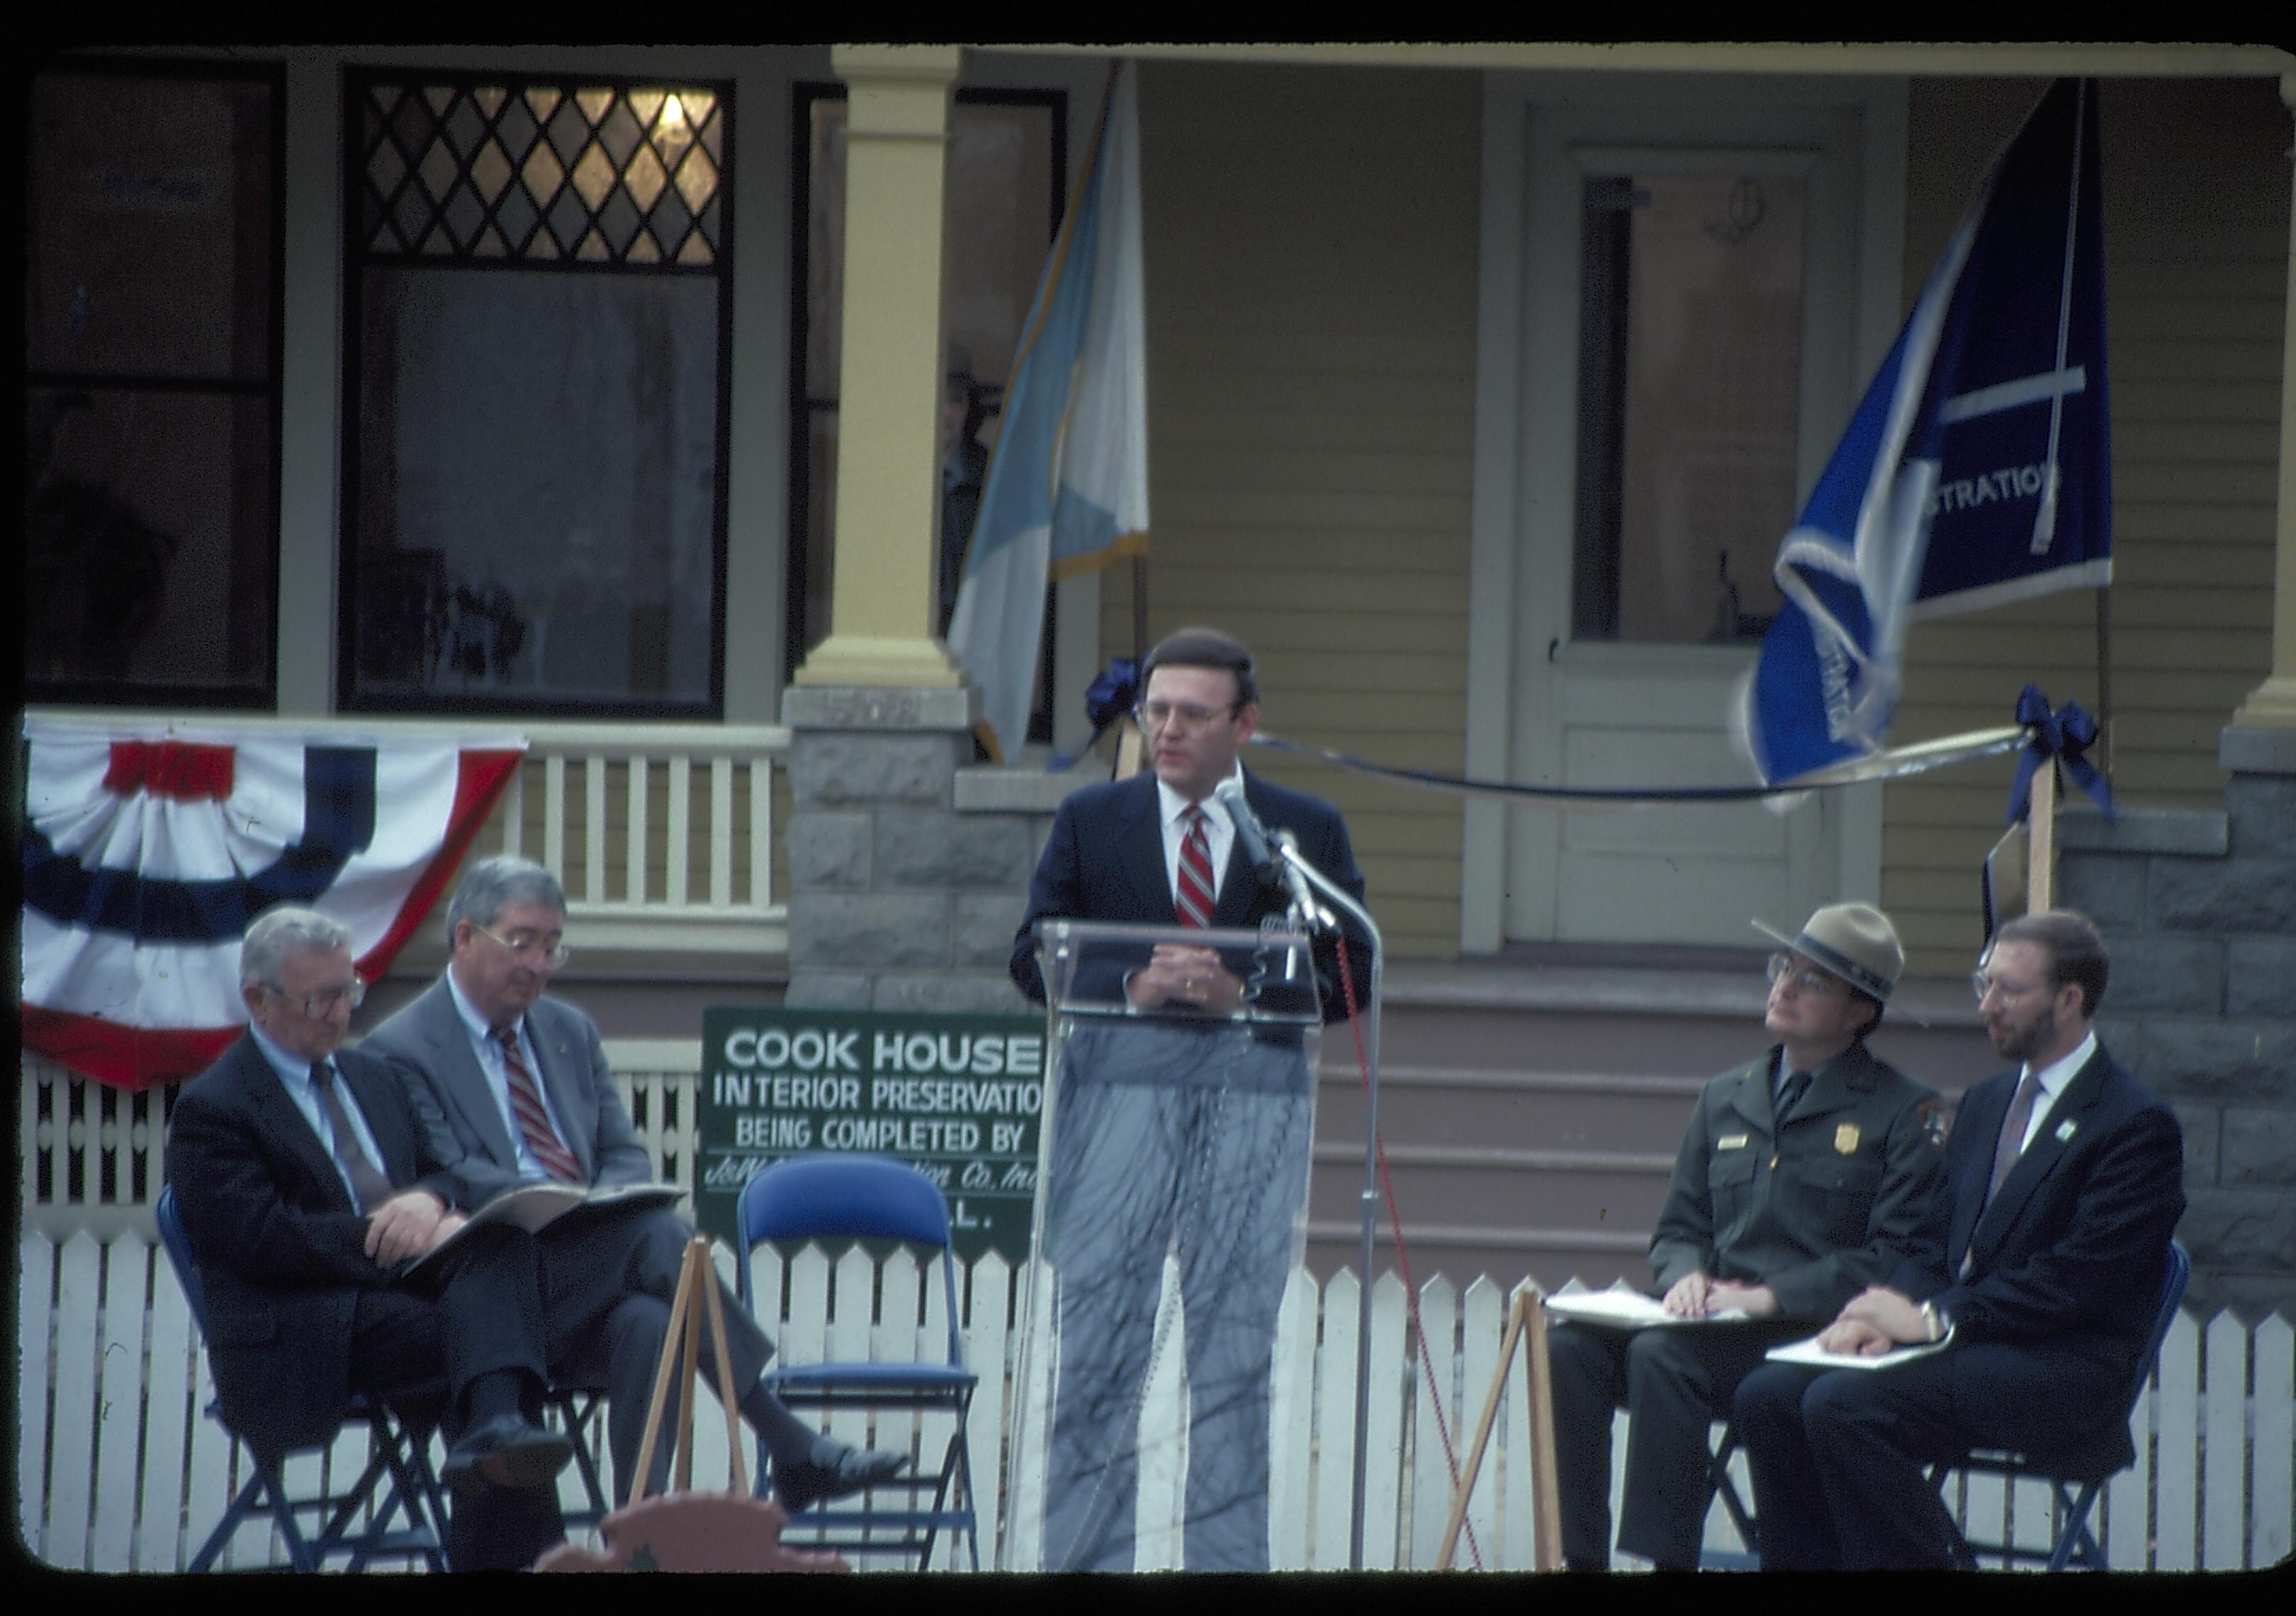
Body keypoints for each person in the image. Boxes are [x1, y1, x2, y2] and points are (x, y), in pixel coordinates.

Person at [361, 855, 902, 1512]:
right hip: (498, 1294)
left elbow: (623, 1153)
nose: (538, 964)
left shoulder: (569, 1031)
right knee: (659, 1234)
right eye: (522, 942)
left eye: (553, 947)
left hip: (591, 1273)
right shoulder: (401, 1046)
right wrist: (573, 1211)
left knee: (650, 1320)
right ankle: (789, 1443)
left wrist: (599, 1205)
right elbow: (456, 1173)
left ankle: (637, 1529)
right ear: (466, 936)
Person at [1010, 624, 1371, 1572]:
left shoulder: (1299, 832)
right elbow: (1028, 957)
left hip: (1250, 1119)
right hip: (1114, 1121)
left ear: (1245, 724)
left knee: (1229, 1376)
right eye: (1155, 711)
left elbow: (1352, 972)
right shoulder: (1093, 821)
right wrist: (1131, 986)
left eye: (1192, 714)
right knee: (1095, 1373)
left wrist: (1242, 995)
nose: (1167, 729)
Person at [1731, 909, 2185, 1570]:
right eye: (1984, 983)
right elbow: (1930, 1245)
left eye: (2009, 990)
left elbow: (2075, 1283)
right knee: (1766, 1395)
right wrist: (1873, 1318)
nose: (1987, 1005)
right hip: (1963, 1347)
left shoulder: (2134, 1123)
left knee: (1843, 1406)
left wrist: (1931, 1319)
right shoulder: (1985, 1101)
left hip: (2059, 1366)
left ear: (2069, 999)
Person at [164, 907, 574, 1572]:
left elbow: (445, 1169)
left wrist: (428, 1199)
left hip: (405, 1296)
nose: (338, 1013)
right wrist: (394, 1237)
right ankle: (518, 1523)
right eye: (319, 998)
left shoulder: (372, 1077)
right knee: (486, 1341)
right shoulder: (216, 1108)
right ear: (257, 1001)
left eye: (348, 991)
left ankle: (497, 1433)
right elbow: (262, 1241)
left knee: (502, 1247)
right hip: (305, 1322)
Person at [1546, 902, 1948, 1571]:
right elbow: (1679, 1228)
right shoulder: (1725, 1095)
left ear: (1859, 1012)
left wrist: (1764, 1299)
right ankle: (1576, 1560)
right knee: (1569, 1352)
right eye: (1783, 967)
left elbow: (1890, 1259)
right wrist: (1686, 1278)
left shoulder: (1904, 1111)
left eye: (1812, 981)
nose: (1784, 987)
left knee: (1660, 1357)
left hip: (1801, 1335)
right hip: (1704, 1323)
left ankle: (1666, 1563)